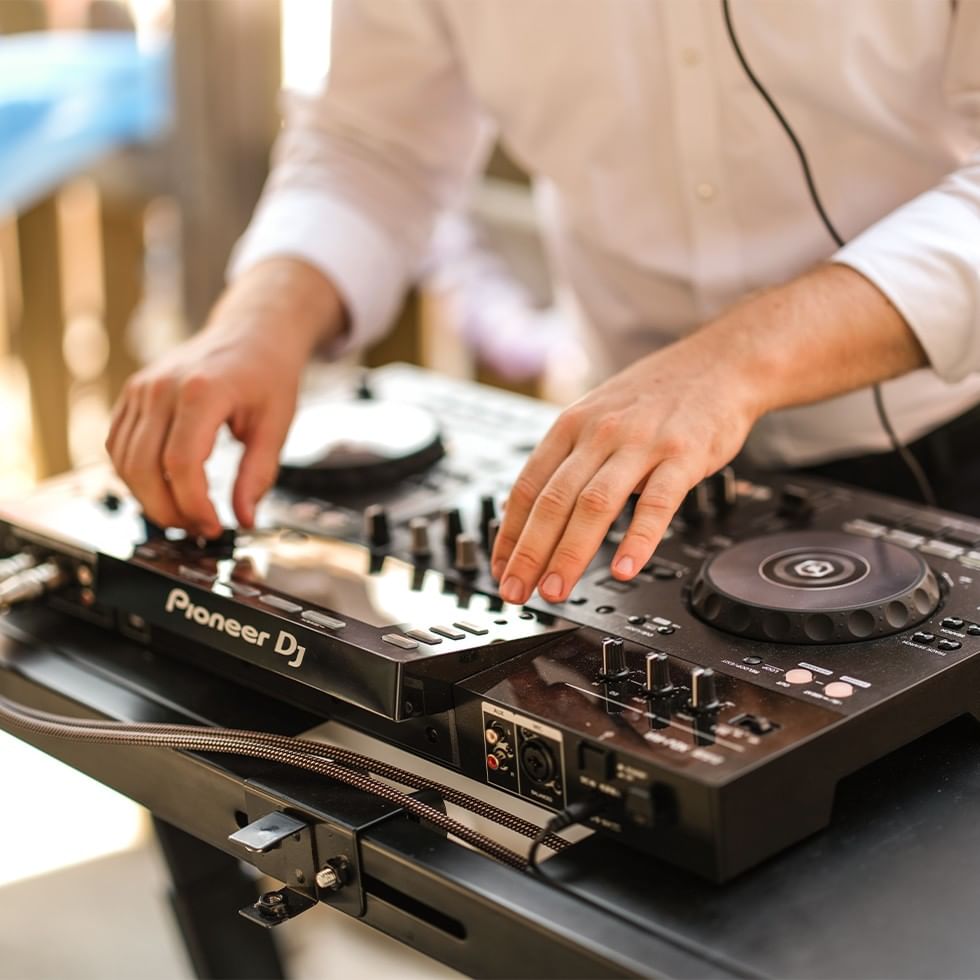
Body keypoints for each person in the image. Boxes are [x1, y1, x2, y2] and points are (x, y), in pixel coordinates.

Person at [106, 1, 980, 608]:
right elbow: (373, 142)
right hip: (622, 472)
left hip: (947, 442)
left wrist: (735, 360)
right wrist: (256, 324)